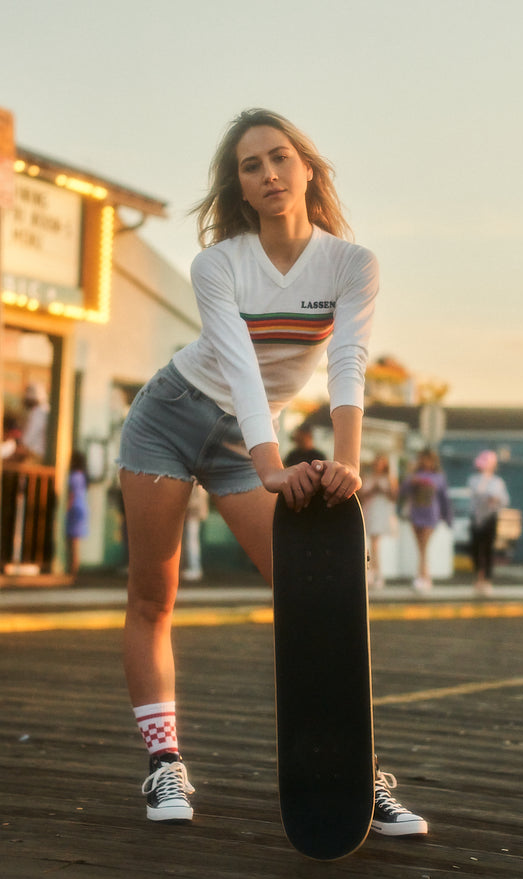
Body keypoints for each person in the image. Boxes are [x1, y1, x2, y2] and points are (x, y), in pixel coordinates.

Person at [117, 108, 426, 837]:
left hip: (243, 442)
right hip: (169, 418)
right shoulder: (218, 264)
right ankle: (165, 761)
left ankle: (357, 770)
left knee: (318, 597)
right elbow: (240, 366)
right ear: (242, 189)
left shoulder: (352, 265)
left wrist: (344, 460)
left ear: (308, 168)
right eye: (251, 167)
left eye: (280, 157)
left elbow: (347, 365)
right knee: (152, 595)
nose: (269, 173)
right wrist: (272, 464)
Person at [398, 448, 452, 593]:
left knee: (424, 546)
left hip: (431, 514)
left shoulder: (439, 477)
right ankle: (424, 576)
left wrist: (447, 518)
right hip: (416, 513)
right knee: (420, 546)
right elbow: (402, 491)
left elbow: (444, 498)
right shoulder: (414, 475)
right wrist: (412, 481)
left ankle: (423, 576)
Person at [468, 450, 509, 595]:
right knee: (475, 548)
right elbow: (478, 492)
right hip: (476, 517)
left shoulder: (498, 481)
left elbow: (504, 500)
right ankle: (478, 576)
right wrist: (485, 479)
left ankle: (487, 579)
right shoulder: (474, 479)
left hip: (491, 517)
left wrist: (495, 499)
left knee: (488, 549)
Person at [360, 453, 398, 588]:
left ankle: (376, 573)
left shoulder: (389, 479)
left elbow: (394, 496)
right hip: (369, 511)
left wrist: (382, 490)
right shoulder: (367, 477)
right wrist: (372, 490)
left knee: (375, 543)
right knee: (371, 543)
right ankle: (374, 573)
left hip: (381, 512)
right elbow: (361, 495)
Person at [65, 450, 89, 576]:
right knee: (75, 541)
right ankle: (74, 569)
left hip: (74, 508)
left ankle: (72, 570)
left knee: (71, 540)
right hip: (81, 507)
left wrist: (66, 508)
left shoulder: (74, 476)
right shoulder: (83, 476)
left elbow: (72, 494)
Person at [181, 484, 209, 581]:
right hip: (192, 512)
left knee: (191, 540)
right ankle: (191, 567)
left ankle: (195, 568)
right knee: (189, 540)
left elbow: (196, 500)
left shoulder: (196, 482)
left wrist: (189, 509)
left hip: (192, 513)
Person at [20, 383, 50, 461]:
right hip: (39, 454)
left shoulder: (38, 412)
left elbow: (27, 439)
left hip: (36, 456)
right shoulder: (45, 410)